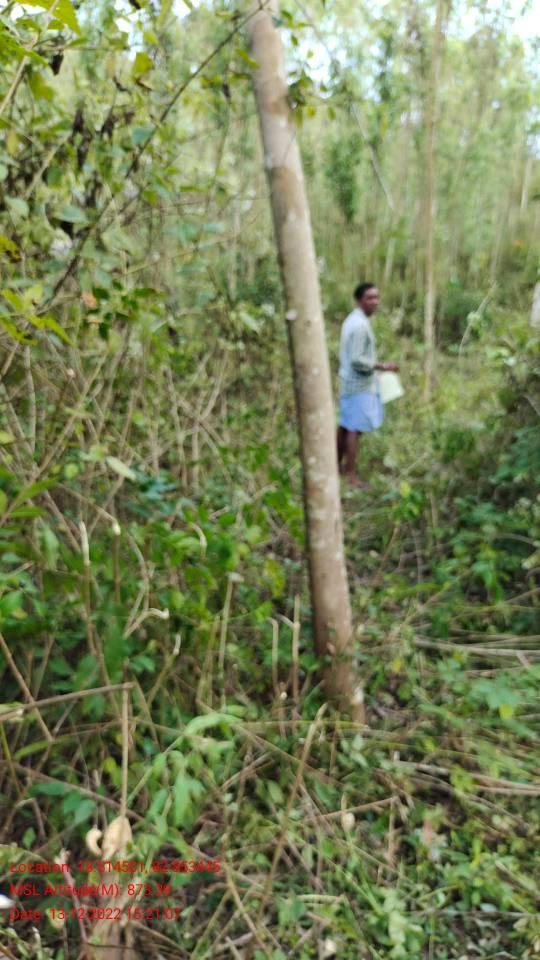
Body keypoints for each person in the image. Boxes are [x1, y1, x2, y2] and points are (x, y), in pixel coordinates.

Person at [337, 282, 399, 486]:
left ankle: (337, 467)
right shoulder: (360, 325)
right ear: (359, 300)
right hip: (359, 385)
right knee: (354, 429)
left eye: (377, 297)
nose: (375, 302)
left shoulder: (353, 320)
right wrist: (382, 366)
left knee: (345, 425)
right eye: (369, 298)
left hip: (349, 383)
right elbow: (357, 359)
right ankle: (351, 476)